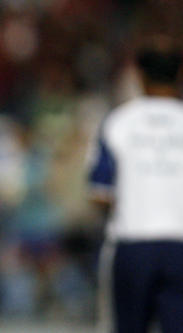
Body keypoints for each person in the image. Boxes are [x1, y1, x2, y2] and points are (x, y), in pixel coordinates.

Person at [89, 35, 183, 333]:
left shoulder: (119, 122)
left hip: (133, 244)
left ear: (139, 75)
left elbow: (100, 193)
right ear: (179, 74)